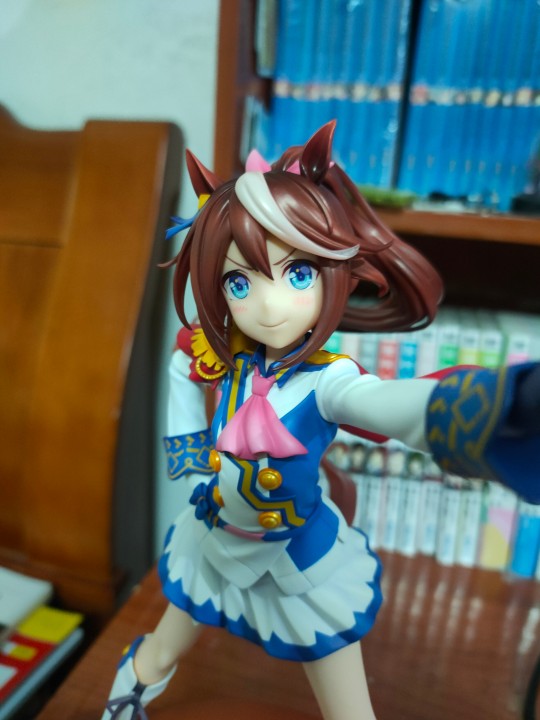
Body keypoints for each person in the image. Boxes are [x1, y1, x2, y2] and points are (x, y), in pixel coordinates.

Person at [102, 122, 540, 720]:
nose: (269, 305)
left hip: (295, 557)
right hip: (217, 536)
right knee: (165, 639)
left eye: (298, 274)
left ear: (332, 271)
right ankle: (133, 688)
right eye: (239, 282)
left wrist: (486, 412)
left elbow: (384, 403)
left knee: (344, 695)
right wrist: (190, 450)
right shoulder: (227, 360)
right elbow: (183, 362)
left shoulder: (327, 380)